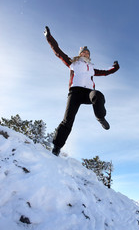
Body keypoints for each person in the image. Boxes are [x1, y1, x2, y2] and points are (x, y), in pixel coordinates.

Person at [44, 26, 120, 156]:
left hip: (87, 93)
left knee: (98, 95)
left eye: (88, 53)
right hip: (74, 93)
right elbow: (58, 51)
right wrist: (49, 37)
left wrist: (115, 67)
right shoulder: (72, 63)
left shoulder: (91, 68)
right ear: (80, 54)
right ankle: (57, 147)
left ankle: (100, 117)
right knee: (68, 120)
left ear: (89, 56)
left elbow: (106, 72)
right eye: (84, 52)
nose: (86, 54)